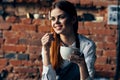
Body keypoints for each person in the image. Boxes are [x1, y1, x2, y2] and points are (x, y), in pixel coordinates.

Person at [41, 1, 96, 80]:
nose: (56, 22)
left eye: (61, 17)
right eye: (53, 19)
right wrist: (46, 50)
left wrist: (82, 64)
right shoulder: (49, 44)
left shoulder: (87, 45)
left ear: (73, 19)